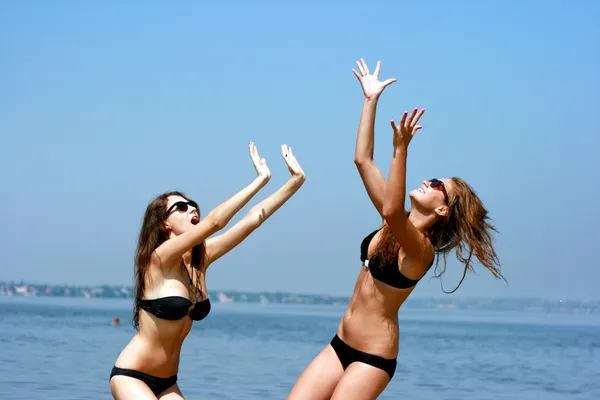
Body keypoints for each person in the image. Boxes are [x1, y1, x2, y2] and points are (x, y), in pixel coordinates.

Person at [287, 59, 504, 400]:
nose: (427, 181)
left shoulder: (421, 249)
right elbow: (363, 160)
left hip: (372, 357)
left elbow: (390, 207)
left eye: (435, 184)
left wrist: (401, 148)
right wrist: (370, 100)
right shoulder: (394, 222)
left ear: (443, 209)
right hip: (340, 344)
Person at [110, 142, 306, 399]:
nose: (192, 208)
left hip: (168, 382)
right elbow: (216, 222)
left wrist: (295, 181)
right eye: (180, 207)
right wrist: (259, 181)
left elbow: (253, 219)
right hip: (131, 376)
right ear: (164, 223)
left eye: (192, 205)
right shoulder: (157, 259)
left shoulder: (201, 260)